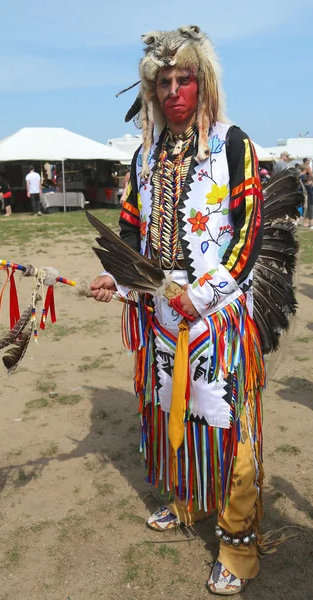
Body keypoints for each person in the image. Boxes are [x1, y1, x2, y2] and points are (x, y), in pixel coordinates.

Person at [90, 25, 265, 595]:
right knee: (173, 413)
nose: (172, 92)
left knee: (225, 421)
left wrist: (204, 293)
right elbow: (131, 233)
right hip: (161, 317)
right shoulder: (146, 154)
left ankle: (238, 546)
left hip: (217, 316)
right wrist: (118, 281)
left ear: (203, 82)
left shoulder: (233, 144)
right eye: (162, 82)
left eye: (182, 80)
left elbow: (248, 233)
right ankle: (189, 503)